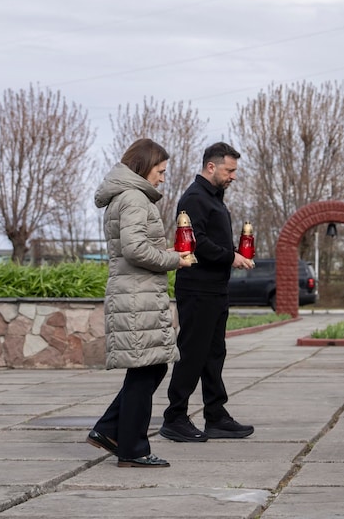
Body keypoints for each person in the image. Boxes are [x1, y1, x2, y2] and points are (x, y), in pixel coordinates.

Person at [86, 138, 194, 468]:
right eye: (160, 171)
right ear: (143, 167)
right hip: (137, 295)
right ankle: (132, 449)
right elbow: (135, 250)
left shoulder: (128, 197)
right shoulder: (134, 198)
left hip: (137, 293)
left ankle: (108, 430)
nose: (162, 177)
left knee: (149, 368)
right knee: (146, 370)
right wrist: (176, 259)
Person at [160, 142, 256, 442]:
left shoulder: (214, 198)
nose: (233, 176)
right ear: (211, 167)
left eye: (235, 171)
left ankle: (216, 416)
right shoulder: (195, 198)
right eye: (229, 170)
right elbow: (194, 240)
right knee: (192, 353)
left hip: (215, 290)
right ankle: (174, 417)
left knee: (214, 354)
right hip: (197, 290)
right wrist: (231, 256)